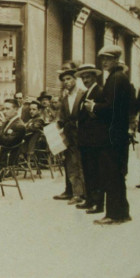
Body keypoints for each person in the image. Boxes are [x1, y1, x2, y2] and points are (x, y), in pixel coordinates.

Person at [85, 45, 131, 225]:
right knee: (117, 175)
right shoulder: (119, 78)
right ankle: (122, 212)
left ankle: (113, 214)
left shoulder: (115, 79)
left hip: (111, 136)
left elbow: (111, 108)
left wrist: (94, 107)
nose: (104, 62)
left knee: (111, 175)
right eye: (102, 59)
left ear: (116, 60)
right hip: (117, 134)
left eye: (108, 59)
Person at [54, 63, 86, 205]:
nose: (66, 82)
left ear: (75, 79)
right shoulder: (65, 97)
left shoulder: (82, 94)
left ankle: (81, 193)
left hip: (82, 134)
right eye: (64, 80)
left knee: (80, 163)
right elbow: (62, 116)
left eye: (69, 79)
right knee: (70, 163)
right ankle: (74, 192)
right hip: (69, 135)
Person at [76, 64, 105, 214]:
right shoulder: (86, 92)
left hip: (94, 140)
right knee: (88, 170)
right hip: (86, 139)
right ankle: (90, 199)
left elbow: (102, 113)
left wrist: (94, 112)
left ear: (95, 77)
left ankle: (98, 203)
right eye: (83, 77)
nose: (85, 79)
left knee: (96, 171)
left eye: (88, 77)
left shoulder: (99, 91)